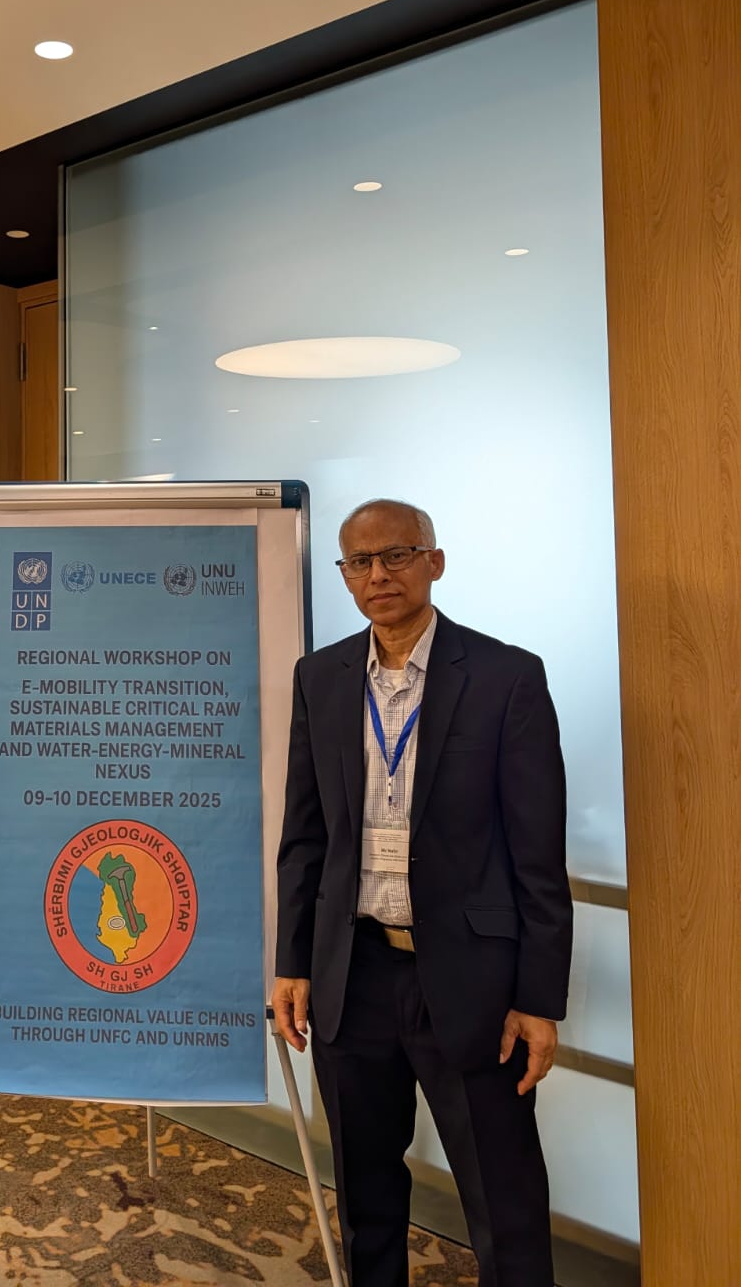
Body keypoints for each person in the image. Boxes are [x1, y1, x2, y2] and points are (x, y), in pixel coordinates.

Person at [273, 499, 572, 1287]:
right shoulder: (322, 677)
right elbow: (305, 838)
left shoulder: (507, 677)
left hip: (471, 982)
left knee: (502, 1199)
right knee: (367, 1196)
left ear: (434, 562)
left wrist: (540, 997)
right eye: (360, 563)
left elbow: (538, 856)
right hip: (353, 973)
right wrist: (293, 961)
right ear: (343, 576)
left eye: (398, 555)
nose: (379, 576)